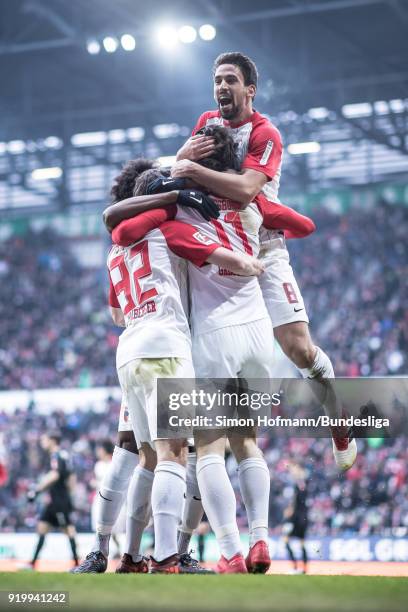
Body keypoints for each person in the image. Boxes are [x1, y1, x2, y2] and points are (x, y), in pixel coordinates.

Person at [103, 128, 315, 574]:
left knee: (204, 451)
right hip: (259, 329)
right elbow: (304, 225)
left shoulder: (177, 214)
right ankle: (260, 538)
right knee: (249, 444)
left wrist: (179, 177)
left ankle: (229, 551)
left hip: (206, 337)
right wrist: (264, 238)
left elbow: (118, 224)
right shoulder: (252, 199)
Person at [171, 51, 357, 472]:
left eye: (230, 80)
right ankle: (201, 430)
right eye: (217, 79)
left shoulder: (265, 132)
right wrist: (180, 157)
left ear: (249, 89)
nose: (221, 87)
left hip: (265, 248)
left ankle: (337, 415)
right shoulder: (206, 125)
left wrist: (192, 170)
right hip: (221, 245)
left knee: (297, 348)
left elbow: (246, 190)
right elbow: (177, 174)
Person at [106, 183, 263, 574]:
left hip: (128, 353)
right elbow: (226, 259)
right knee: (174, 454)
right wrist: (255, 264)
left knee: (147, 457)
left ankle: (131, 555)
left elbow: (117, 317)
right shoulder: (169, 230)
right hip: (166, 346)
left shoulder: (114, 250)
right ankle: (165, 555)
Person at [26, 432, 78, 570]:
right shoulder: (64, 455)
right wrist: (69, 494)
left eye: (44, 439)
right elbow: (72, 477)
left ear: (52, 441)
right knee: (42, 527)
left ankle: (78, 564)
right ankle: (32, 563)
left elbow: (54, 475)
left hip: (59, 500)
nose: (42, 442)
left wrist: (36, 490)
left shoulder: (56, 456)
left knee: (68, 529)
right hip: (56, 499)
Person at [283, 464, 309, 574]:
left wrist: (289, 512)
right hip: (303, 518)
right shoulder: (302, 485)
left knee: (286, 541)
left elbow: (294, 503)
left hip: (295, 519)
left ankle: (295, 566)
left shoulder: (298, 485)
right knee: (301, 543)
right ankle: (303, 568)